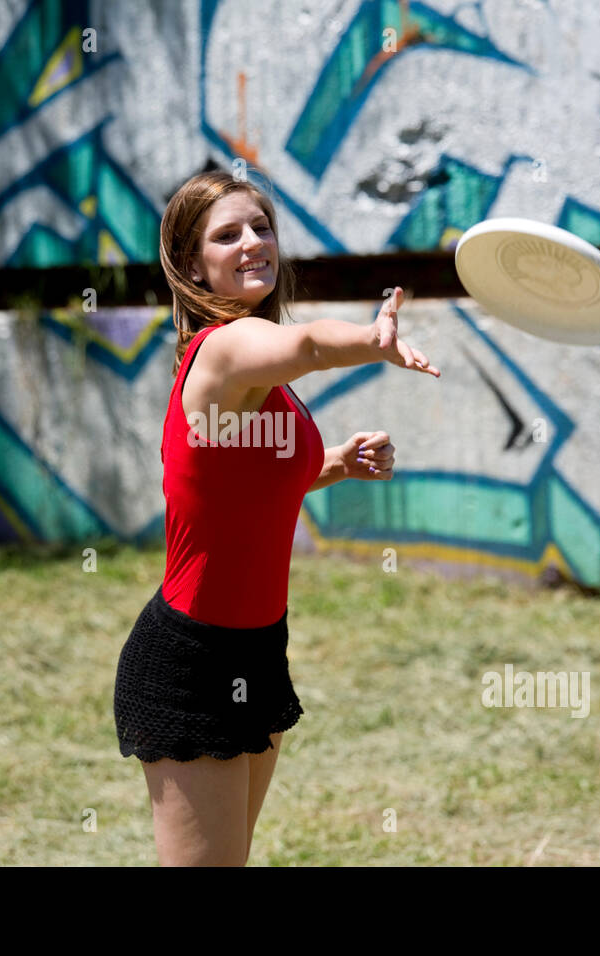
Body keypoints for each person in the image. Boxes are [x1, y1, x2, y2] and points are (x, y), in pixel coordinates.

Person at [113, 169, 440, 866]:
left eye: (261, 228)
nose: (252, 242)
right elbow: (315, 345)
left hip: (258, 648)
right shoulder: (225, 352)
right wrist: (372, 339)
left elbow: (243, 489)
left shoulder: (260, 380)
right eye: (227, 234)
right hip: (191, 661)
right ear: (192, 262)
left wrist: (336, 465)